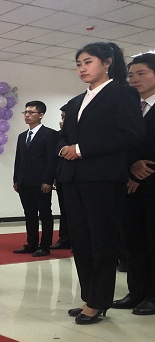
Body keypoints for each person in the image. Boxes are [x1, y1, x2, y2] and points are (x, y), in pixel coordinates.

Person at [59, 42, 146, 325]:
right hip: (73, 178)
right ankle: (90, 298)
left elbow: (131, 133)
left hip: (103, 178)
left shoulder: (122, 93)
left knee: (102, 241)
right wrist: (64, 148)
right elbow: (65, 136)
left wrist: (82, 149)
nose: (82, 69)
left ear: (107, 62)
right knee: (81, 242)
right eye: (78, 64)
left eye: (88, 62)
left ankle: (98, 301)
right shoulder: (75, 102)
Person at [112, 53, 155, 315]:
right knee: (133, 241)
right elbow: (120, 143)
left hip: (151, 183)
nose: (134, 79)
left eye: (141, 73)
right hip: (128, 185)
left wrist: (142, 170)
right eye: (130, 75)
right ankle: (137, 292)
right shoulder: (130, 109)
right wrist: (131, 167)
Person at [12, 101, 58, 257]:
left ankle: (45, 245)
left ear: (41, 115)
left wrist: (48, 180)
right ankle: (31, 243)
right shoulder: (22, 136)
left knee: (45, 213)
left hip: (41, 181)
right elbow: (19, 159)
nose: (27, 115)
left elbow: (51, 160)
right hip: (24, 181)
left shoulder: (50, 134)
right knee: (29, 213)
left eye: (31, 112)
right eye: (25, 112)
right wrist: (16, 179)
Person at [51, 105, 72, 250]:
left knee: (77, 211)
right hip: (61, 177)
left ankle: (78, 240)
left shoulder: (80, 135)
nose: (63, 121)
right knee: (64, 210)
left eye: (66, 118)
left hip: (77, 178)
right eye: (62, 117)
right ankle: (64, 239)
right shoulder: (57, 136)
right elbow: (53, 159)